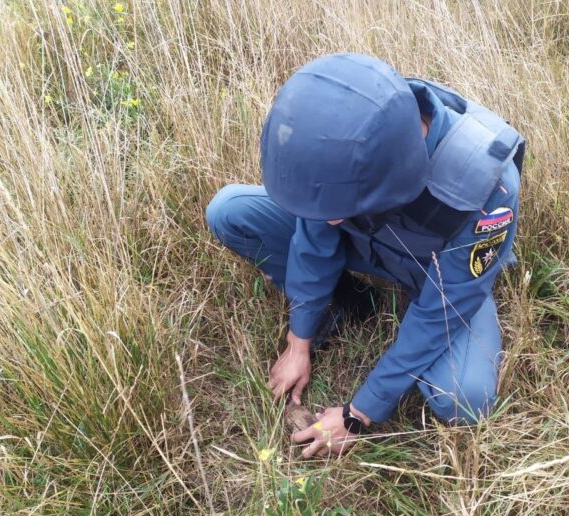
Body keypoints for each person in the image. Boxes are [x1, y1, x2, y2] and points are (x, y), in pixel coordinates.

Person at [206, 53, 524, 458]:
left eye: (335, 206)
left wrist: (359, 413)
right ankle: (349, 303)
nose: (327, 218)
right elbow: (313, 240)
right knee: (230, 211)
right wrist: (299, 339)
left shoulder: (486, 188)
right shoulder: (342, 141)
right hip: (370, 244)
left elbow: (442, 308)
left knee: (465, 398)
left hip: (440, 276)